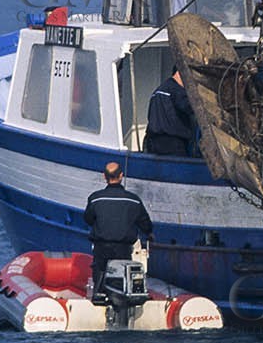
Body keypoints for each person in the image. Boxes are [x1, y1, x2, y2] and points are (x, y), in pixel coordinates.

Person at [83, 162, 153, 305]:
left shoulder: (95, 198)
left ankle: (98, 295)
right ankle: (123, 299)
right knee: (122, 273)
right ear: (121, 176)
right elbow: (145, 222)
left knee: (100, 269)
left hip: (102, 247)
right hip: (123, 248)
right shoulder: (133, 200)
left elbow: (88, 219)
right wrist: (149, 233)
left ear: (104, 177)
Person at [144, 67, 197, 156]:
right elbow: (191, 108)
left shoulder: (158, 91)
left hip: (152, 143)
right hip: (173, 144)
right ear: (180, 73)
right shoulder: (177, 91)